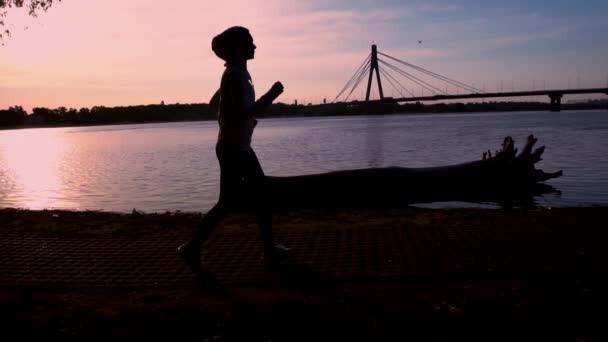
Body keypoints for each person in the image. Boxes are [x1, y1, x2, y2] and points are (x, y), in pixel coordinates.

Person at [178, 26, 291, 275]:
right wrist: (272, 95)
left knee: (238, 201)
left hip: (235, 147)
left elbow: (215, 105)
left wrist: (237, 122)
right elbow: (246, 110)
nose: (255, 45)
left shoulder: (235, 73)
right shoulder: (236, 76)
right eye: (250, 41)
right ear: (239, 47)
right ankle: (195, 247)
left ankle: (194, 247)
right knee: (247, 200)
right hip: (235, 150)